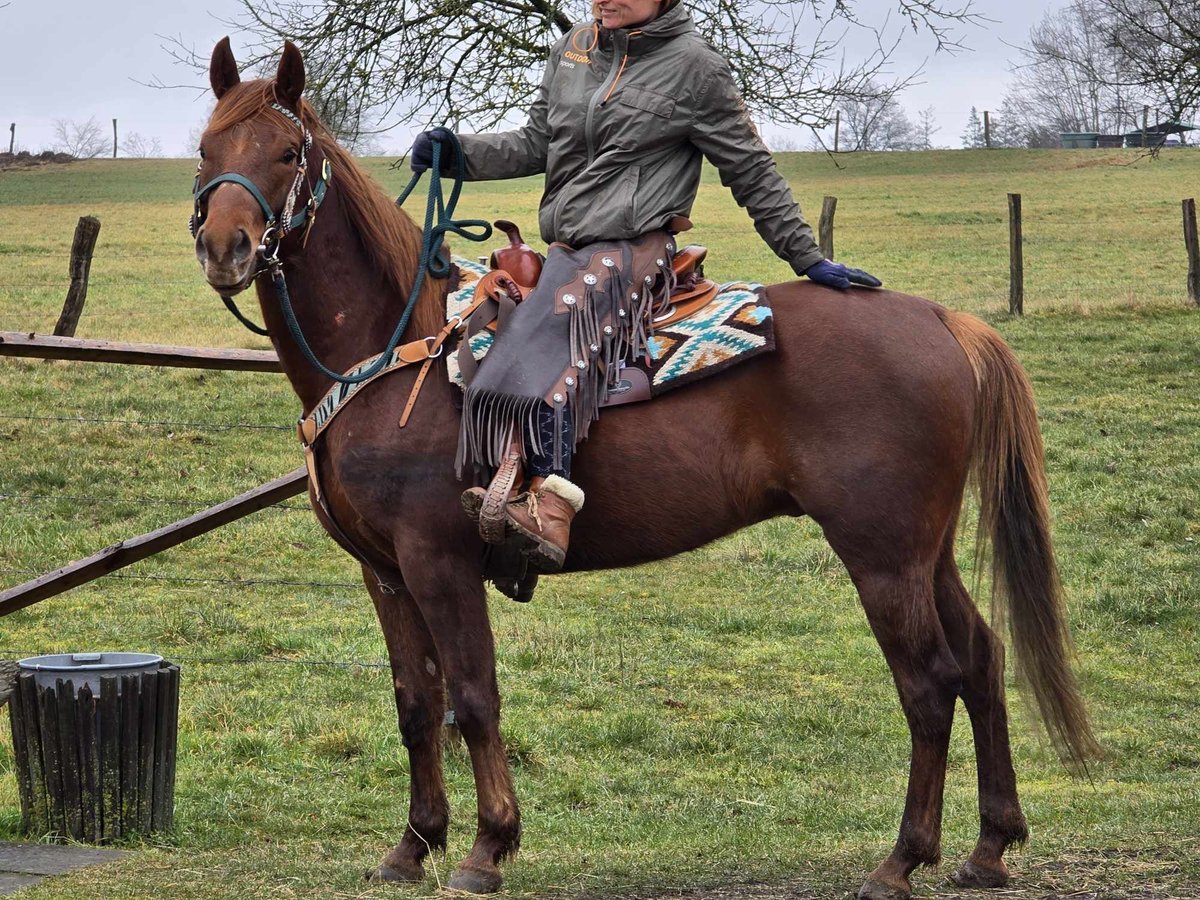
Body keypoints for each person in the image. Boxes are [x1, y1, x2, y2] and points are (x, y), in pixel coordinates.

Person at [411, 0, 881, 573]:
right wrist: (459, 153)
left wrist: (805, 257)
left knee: (548, 345)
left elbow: (749, 168)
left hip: (631, 249)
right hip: (566, 249)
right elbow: (539, 141)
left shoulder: (695, 66)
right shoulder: (575, 47)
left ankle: (549, 504)